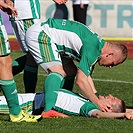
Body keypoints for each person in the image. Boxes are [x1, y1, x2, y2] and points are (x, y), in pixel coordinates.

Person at [25, 18, 128, 116]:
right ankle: (48, 109)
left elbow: (87, 76)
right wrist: (97, 102)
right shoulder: (93, 51)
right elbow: (81, 80)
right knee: (58, 72)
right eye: (113, 63)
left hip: (48, 37)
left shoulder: (97, 45)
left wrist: (96, 96)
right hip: (42, 35)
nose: (110, 67)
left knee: (70, 71)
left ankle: (60, 99)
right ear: (109, 54)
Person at [0, 0, 42, 122]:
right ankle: (23, 105)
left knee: (32, 56)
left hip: (25, 13)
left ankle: (26, 101)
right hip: (25, 13)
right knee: (32, 56)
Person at [1, 89, 133, 120]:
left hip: (29, 105)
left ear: (109, 108)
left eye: (112, 98)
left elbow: (99, 115)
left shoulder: (90, 107)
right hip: (29, 98)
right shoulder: (90, 101)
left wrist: (123, 114)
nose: (110, 95)